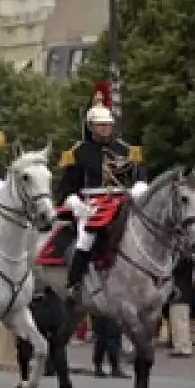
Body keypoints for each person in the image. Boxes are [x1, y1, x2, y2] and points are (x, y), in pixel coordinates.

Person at [56, 83, 144, 300]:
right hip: (92, 204)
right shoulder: (77, 153)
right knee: (86, 237)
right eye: (100, 125)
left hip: (123, 202)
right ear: (90, 126)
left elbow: (140, 178)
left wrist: (139, 190)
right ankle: (74, 281)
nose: (105, 129)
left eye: (108, 125)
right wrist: (76, 204)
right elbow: (66, 187)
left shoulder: (127, 150)